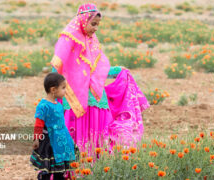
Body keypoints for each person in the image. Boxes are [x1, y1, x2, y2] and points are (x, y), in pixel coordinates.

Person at [51, 3, 149, 152]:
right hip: (74, 98)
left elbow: (97, 70)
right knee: (75, 139)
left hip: (96, 99)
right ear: (83, 21)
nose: (96, 28)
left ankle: (94, 171)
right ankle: (74, 171)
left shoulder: (92, 43)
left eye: (98, 25)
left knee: (97, 139)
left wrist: (117, 70)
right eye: (93, 24)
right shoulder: (69, 40)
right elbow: (58, 66)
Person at [30, 72, 76, 180]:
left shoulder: (59, 105)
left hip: (62, 141)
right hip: (50, 143)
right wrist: (36, 139)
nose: (65, 91)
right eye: (63, 88)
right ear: (53, 90)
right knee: (48, 168)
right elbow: (39, 124)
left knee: (60, 170)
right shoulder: (43, 106)